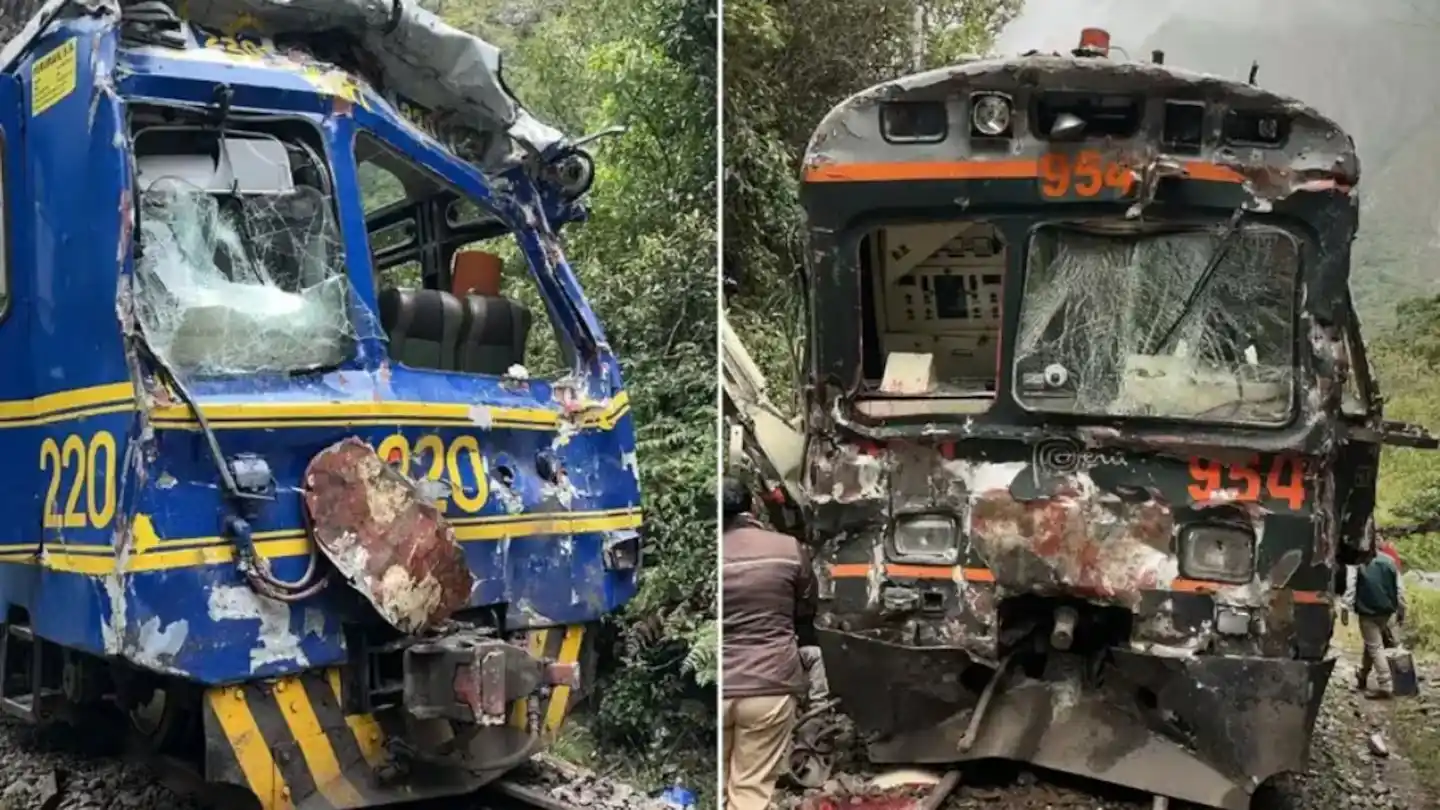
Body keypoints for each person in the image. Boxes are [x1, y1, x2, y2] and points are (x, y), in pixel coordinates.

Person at [721, 475, 817, 810]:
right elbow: (807, 607)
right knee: (748, 790)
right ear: (752, 506)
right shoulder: (788, 549)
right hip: (770, 686)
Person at [1344, 547, 1407, 698]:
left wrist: (1345, 607)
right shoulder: (1389, 561)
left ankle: (1386, 683)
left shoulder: (1358, 564)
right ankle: (1362, 675)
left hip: (1368, 612)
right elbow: (1400, 589)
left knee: (1375, 647)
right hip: (1387, 611)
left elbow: (1351, 587)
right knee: (1372, 644)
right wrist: (1402, 610)